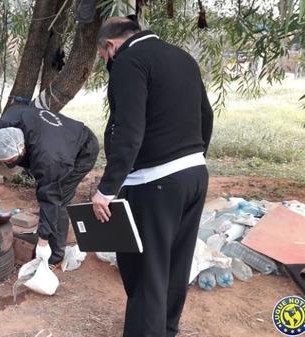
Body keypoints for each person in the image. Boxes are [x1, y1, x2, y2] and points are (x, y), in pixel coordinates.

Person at [91, 17, 214, 337]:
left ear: (111, 46)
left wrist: (107, 189)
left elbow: (129, 131)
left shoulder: (129, 61)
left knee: (146, 273)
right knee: (175, 265)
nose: (105, 62)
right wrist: (193, 160)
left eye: (103, 56)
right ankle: (166, 330)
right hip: (193, 176)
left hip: (154, 183)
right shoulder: (182, 57)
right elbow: (206, 115)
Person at [0, 104, 99, 268]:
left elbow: (51, 196)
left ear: (22, 148)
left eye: (10, 161)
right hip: (59, 138)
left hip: (83, 148)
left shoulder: (49, 160)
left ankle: (55, 255)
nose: (6, 163)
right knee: (47, 189)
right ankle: (48, 221)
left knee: (60, 199)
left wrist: (42, 242)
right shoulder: (6, 126)